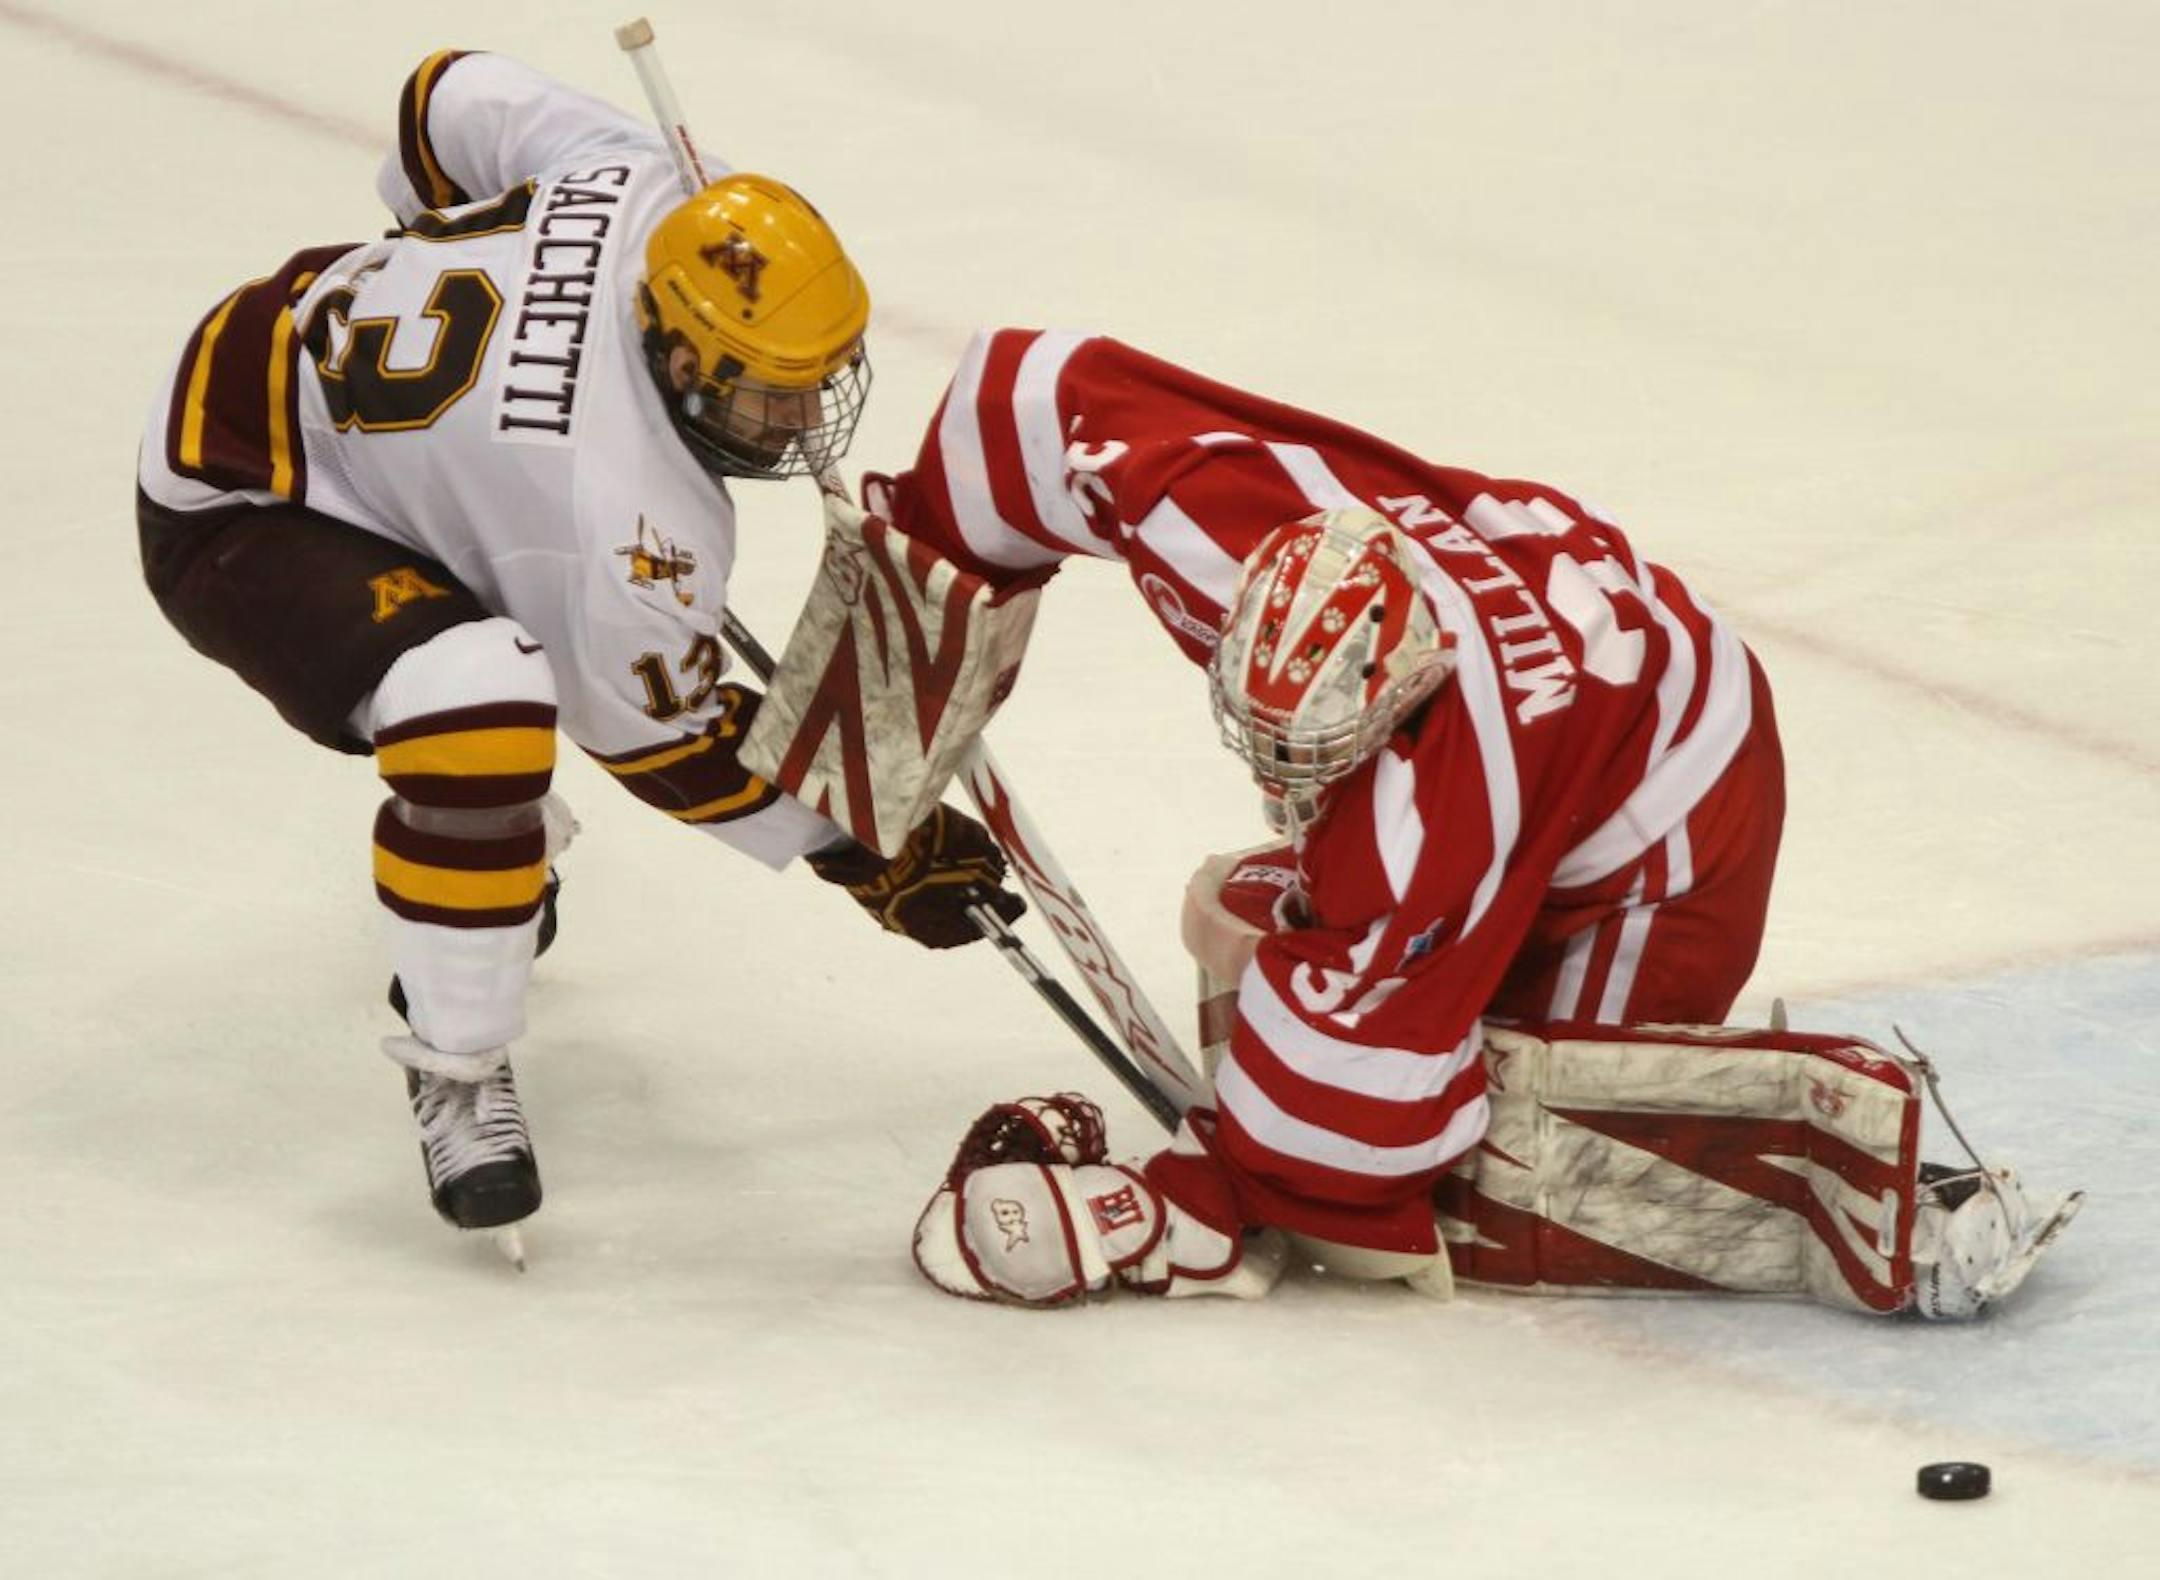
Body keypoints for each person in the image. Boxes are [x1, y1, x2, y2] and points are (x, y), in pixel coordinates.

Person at [134, 51, 1022, 1248]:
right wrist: (859, 841)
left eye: (817, 381)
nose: (805, 421)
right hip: (242, 498)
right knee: (484, 699)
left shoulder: (651, 186)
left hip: (320, 372)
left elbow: (439, 97)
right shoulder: (623, 520)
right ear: (681, 351)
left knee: (511, 645)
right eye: (772, 395)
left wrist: (428, 252)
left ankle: (479, 868)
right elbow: (663, 741)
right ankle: (456, 1060)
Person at [875, 328, 1785, 1299]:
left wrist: (1192, 1198)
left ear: (1405, 693)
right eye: (1263, 732)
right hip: (1553, 638)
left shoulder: (1440, 804)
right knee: (1350, 942)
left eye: (1315, 756)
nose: (1280, 779)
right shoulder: (1219, 523)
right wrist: (897, 685)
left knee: (1536, 1152)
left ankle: (1567, 975)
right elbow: (1030, 399)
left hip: (1679, 788)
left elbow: (1339, 1139)